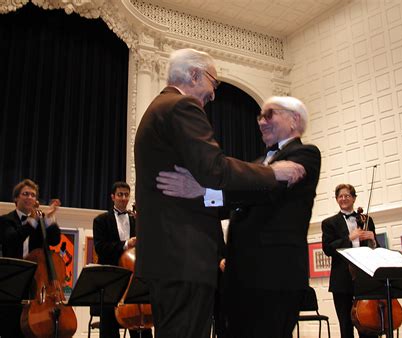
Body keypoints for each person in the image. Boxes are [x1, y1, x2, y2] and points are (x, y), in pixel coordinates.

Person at [134, 48, 305, 338]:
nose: (214, 94)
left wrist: (203, 189)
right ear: (194, 74)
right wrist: (273, 172)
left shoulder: (157, 109)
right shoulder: (182, 106)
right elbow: (215, 169)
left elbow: (204, 182)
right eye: (214, 82)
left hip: (168, 259)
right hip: (185, 256)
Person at [156, 95, 321, 337]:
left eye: (269, 114)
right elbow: (237, 194)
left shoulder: (306, 155)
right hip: (238, 276)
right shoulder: (256, 165)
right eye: (259, 116)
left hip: (275, 275)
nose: (261, 122)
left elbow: (265, 191)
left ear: (295, 119)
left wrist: (205, 189)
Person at [0, 178, 61, 338]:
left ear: (36, 200)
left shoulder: (40, 222)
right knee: (10, 330)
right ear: (16, 199)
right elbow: (12, 239)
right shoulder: (6, 221)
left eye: (33, 195)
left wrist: (50, 218)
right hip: (12, 285)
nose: (29, 197)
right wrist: (32, 221)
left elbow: (54, 240)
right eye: (25, 194)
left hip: (36, 286)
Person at [93, 181, 153, 338]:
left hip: (133, 278)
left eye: (126, 195)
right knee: (109, 325)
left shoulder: (135, 220)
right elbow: (100, 248)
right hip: (112, 278)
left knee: (140, 322)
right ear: (112, 197)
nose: (124, 198)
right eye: (120, 194)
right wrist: (126, 244)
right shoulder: (101, 220)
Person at [321, 184, 378, 338]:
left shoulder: (366, 219)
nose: (343, 198)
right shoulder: (329, 223)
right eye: (340, 196)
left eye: (347, 195)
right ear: (336, 199)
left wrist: (373, 239)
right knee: (345, 324)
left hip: (365, 276)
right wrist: (349, 238)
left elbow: (375, 249)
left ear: (354, 198)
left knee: (368, 323)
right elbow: (327, 249)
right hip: (342, 278)